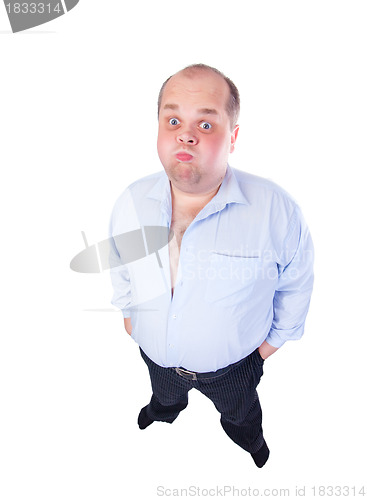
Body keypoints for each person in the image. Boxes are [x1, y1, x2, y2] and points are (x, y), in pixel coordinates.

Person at [109, 64, 314, 468]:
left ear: (233, 137)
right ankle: (164, 410)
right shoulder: (130, 201)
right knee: (164, 394)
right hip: (155, 355)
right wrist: (129, 317)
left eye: (205, 124)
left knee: (241, 412)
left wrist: (266, 350)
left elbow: (297, 284)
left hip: (234, 369)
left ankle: (249, 439)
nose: (186, 134)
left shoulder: (276, 210)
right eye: (173, 120)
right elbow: (119, 262)